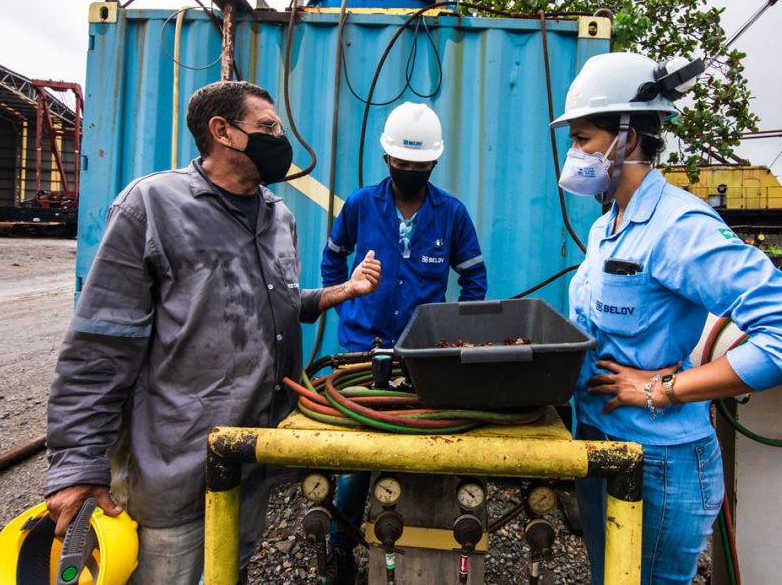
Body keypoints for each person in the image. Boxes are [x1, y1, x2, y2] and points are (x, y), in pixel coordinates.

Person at [44, 81, 382, 584]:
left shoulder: (278, 216)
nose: (280, 139)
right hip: (177, 463)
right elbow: (101, 345)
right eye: (267, 127)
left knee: (232, 569)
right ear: (222, 131)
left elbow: (276, 305)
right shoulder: (152, 206)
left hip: (252, 454)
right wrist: (77, 463)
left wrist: (343, 291)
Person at [553, 53, 782, 585]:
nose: (574, 154)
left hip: (659, 462)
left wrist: (667, 388)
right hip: (600, 442)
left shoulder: (679, 226)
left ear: (628, 138)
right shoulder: (606, 225)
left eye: (583, 139)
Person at [319, 101, 488, 581]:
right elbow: (332, 263)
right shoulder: (359, 206)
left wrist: (451, 336)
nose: (410, 171)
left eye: (421, 165)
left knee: (424, 444)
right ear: (387, 159)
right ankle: (340, 546)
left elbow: (474, 280)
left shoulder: (451, 214)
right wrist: (348, 303)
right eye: (402, 162)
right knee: (357, 456)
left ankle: (422, 543)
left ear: (434, 163)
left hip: (422, 356)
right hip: (361, 349)